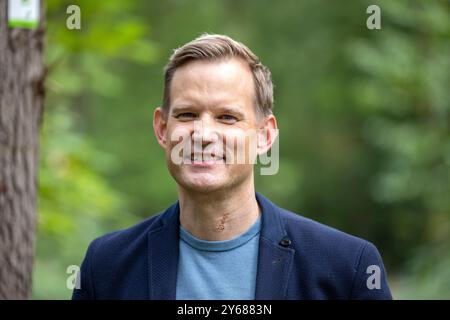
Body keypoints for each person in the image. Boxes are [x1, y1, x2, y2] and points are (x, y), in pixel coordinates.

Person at [72, 34, 392, 300]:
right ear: (162, 129)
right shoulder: (106, 267)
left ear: (265, 135)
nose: (204, 135)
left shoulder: (347, 268)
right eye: (187, 115)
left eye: (227, 117)